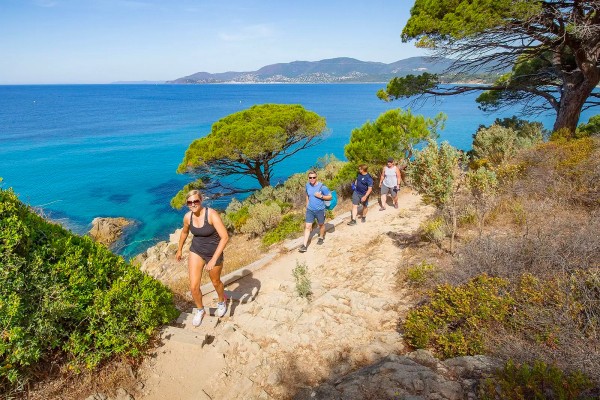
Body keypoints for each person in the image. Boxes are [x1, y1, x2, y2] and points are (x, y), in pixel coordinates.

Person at [176, 190, 229, 326]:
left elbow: (224, 237)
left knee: (215, 281)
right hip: (196, 250)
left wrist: (213, 260)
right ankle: (200, 310)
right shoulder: (188, 217)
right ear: (187, 204)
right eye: (190, 202)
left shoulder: (211, 214)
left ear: (201, 201)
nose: (193, 204)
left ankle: (221, 301)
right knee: (193, 287)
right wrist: (180, 249)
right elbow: (184, 232)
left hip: (213, 252)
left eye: (196, 201)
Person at [299, 171, 332, 253]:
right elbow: (307, 195)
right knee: (307, 227)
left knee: (321, 225)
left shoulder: (322, 187)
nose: (312, 179)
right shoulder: (307, 185)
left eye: (314, 177)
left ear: (316, 177)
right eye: (310, 177)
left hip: (320, 210)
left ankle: (321, 237)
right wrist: (307, 204)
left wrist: (321, 196)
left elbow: (330, 197)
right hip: (310, 210)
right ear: (308, 178)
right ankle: (304, 245)